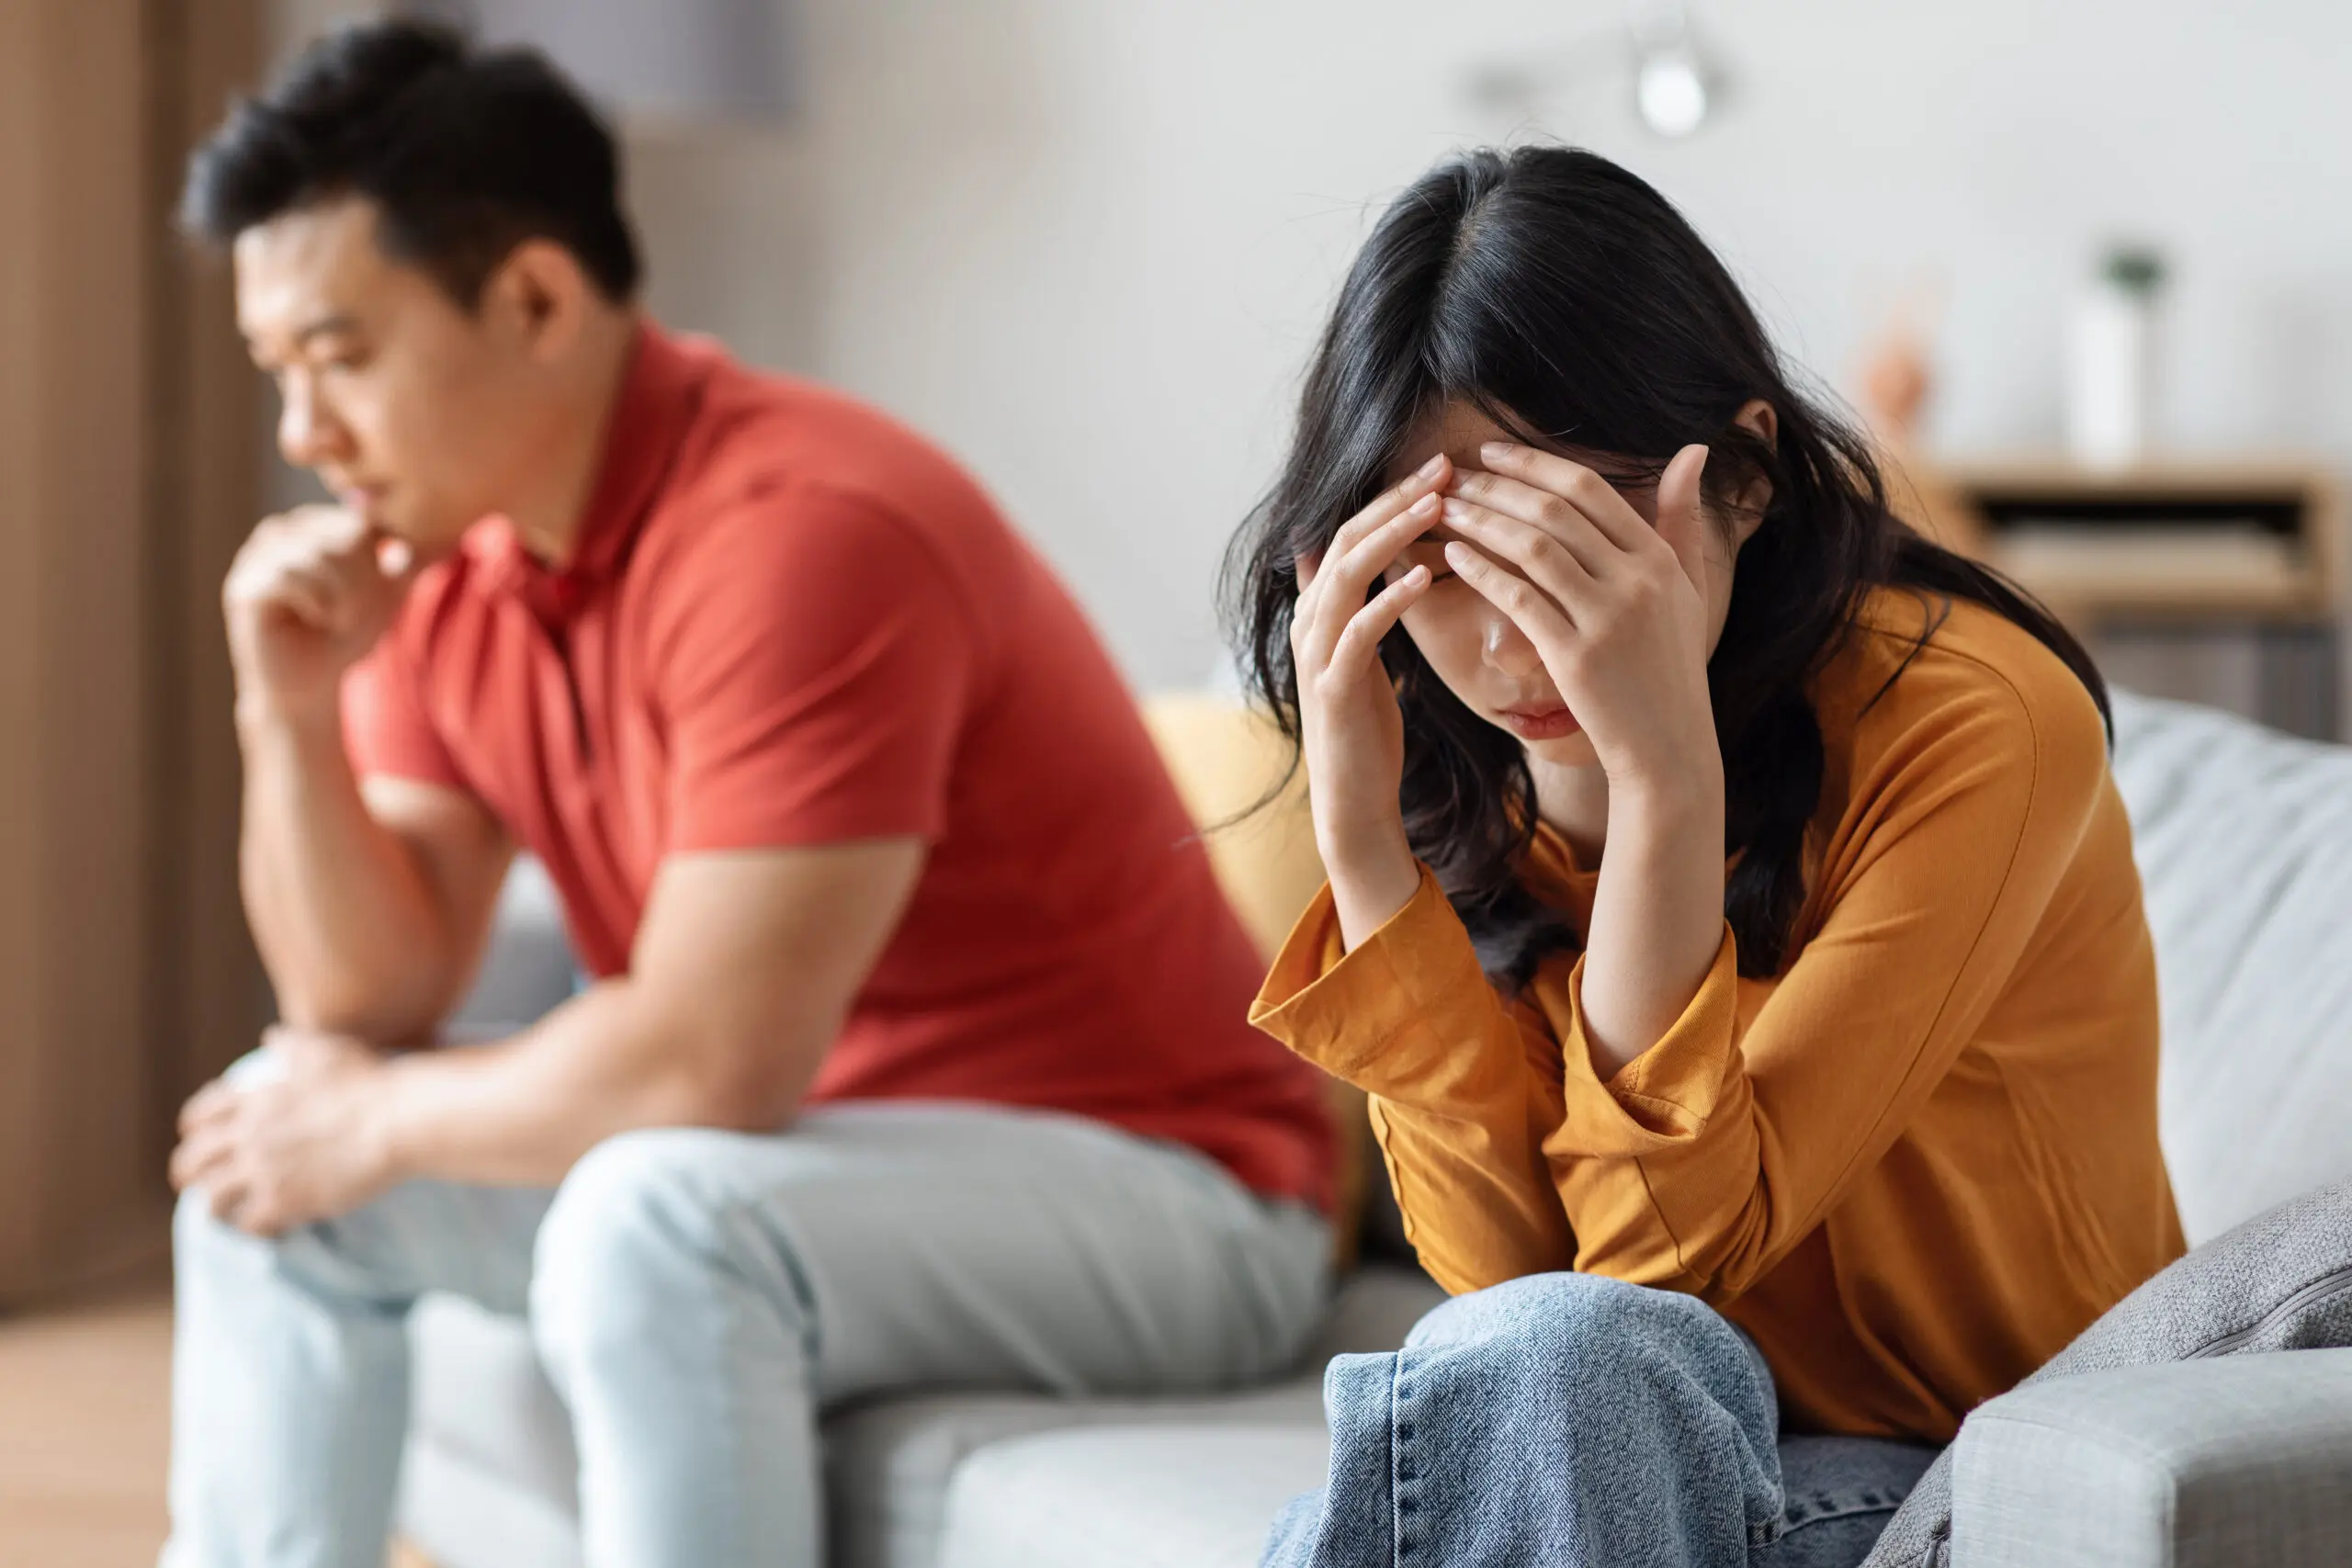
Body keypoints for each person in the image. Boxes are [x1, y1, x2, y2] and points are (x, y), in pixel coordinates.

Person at [163, 20, 1334, 1568]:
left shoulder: (806, 533)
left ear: (532, 298)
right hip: (819, 1169)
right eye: (280, 372)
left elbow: (710, 1062)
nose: (304, 435)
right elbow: (363, 993)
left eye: (341, 356)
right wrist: (291, 712)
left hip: (1171, 1191)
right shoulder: (443, 563)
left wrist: (375, 1118)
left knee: (654, 1214)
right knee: (268, 1157)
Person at [1224, 145, 2184, 1568]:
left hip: (1957, 1459)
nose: (1509, 640)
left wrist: (1662, 779)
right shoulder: (1457, 757)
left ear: (1742, 474)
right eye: (1444, 554)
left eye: (1572, 534)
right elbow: (1506, 1293)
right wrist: (1365, 852)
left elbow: (1640, 1277)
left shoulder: (1977, 727)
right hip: (1609, 1443)